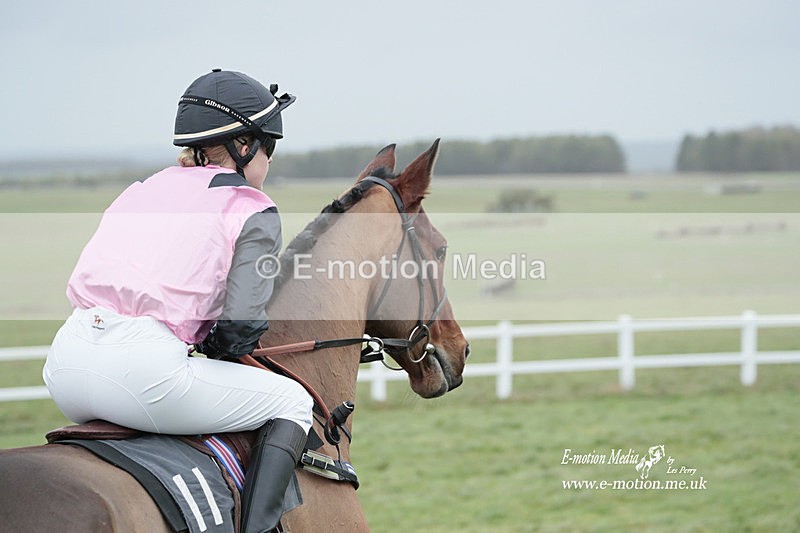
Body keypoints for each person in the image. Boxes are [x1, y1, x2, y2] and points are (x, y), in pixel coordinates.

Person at [43, 69, 313, 533]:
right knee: (292, 400)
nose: (268, 164)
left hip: (64, 365)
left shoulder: (140, 189)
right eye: (268, 148)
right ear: (245, 146)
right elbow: (241, 329)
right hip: (142, 374)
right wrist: (212, 347)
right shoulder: (252, 207)